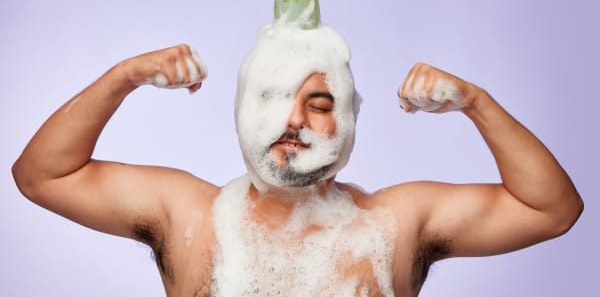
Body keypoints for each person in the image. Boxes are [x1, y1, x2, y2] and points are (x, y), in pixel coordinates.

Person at [13, 39, 583, 296]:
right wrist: (124, 76)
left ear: (350, 122)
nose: (294, 120)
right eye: (270, 98)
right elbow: (42, 174)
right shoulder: (188, 215)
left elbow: (552, 209)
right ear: (241, 113)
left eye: (319, 103)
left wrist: (475, 103)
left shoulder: (397, 223)